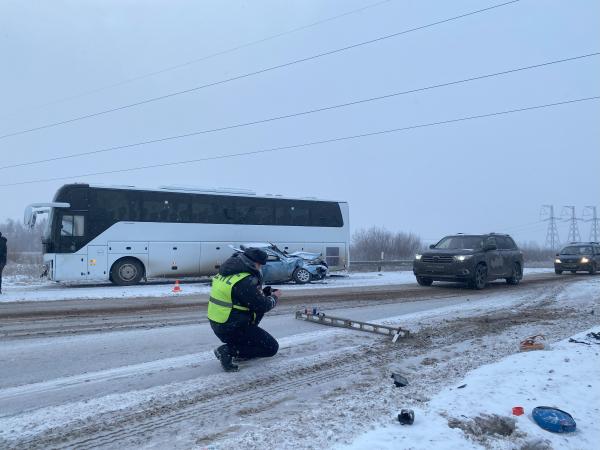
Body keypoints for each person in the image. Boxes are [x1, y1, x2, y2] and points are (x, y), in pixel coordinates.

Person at [208, 247, 281, 372]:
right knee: (271, 348)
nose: (260, 268)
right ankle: (228, 351)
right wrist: (274, 297)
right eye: (260, 265)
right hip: (233, 327)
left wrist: (262, 293)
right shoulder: (244, 280)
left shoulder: (226, 273)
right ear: (253, 263)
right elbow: (262, 306)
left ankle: (240, 349)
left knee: (255, 336)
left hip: (220, 323)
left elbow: (240, 298)